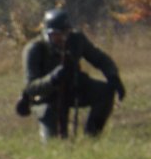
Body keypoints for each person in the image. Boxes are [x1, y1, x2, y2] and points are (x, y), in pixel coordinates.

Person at [17, 8, 125, 140]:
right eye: (57, 34)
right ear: (47, 33)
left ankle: (92, 137)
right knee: (55, 142)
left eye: (65, 33)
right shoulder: (34, 49)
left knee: (105, 92)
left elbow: (100, 59)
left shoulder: (76, 40)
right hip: (47, 98)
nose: (62, 38)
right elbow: (31, 87)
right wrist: (53, 79)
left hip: (74, 88)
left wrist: (113, 77)